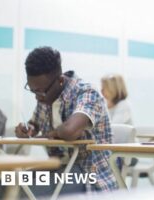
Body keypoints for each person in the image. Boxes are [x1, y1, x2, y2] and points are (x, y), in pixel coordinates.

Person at [14, 46, 117, 196]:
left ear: (60, 81)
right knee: (3, 184)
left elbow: (70, 131)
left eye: (40, 91)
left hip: (88, 175)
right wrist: (26, 129)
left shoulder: (87, 93)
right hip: (57, 169)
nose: (37, 97)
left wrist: (52, 133)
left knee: (18, 192)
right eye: (32, 90)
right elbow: (34, 125)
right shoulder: (45, 97)